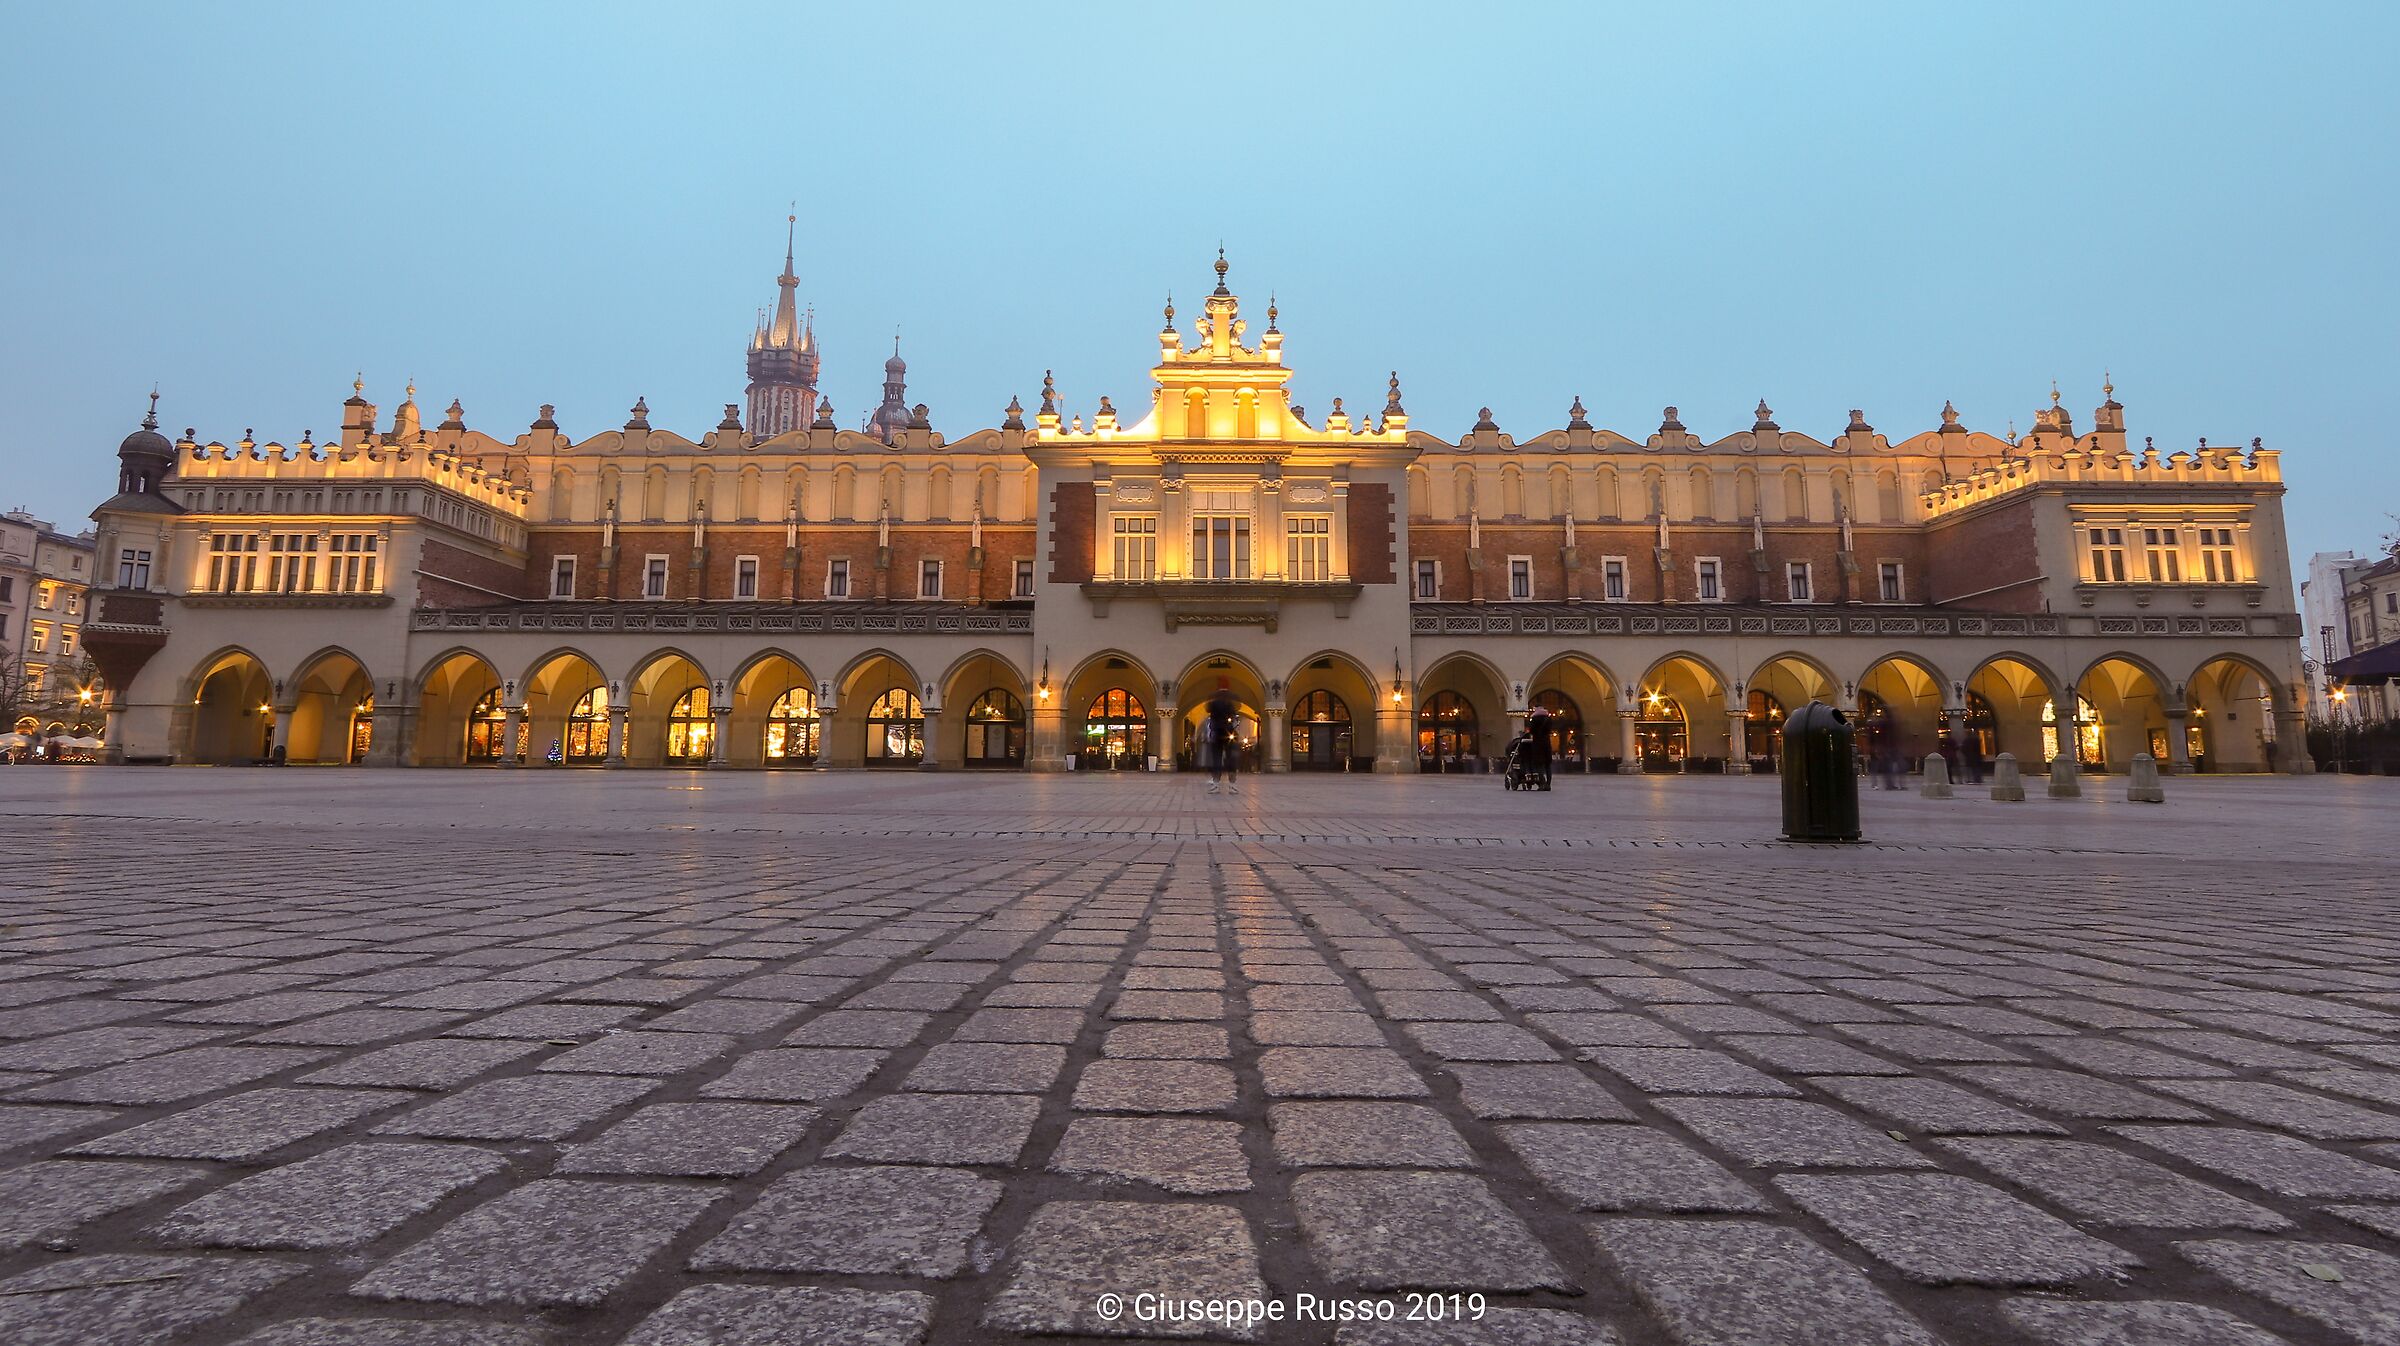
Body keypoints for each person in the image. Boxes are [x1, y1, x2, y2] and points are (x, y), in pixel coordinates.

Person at [1205, 690, 1239, 793]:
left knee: (1216, 759)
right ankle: (1232, 786)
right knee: (1230, 759)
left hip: (1216, 733)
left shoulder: (1213, 703)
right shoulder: (1229, 704)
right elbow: (1234, 715)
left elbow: (1207, 709)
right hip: (1228, 733)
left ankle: (1216, 785)